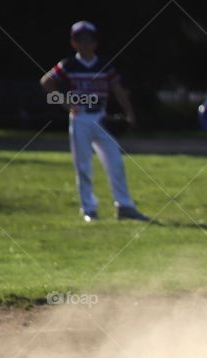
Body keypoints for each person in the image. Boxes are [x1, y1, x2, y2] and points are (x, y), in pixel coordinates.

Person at [40, 21, 148, 223]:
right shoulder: (69, 65)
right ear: (74, 43)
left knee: (115, 161)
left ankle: (124, 205)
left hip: (101, 117)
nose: (85, 44)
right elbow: (46, 82)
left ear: (95, 43)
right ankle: (89, 208)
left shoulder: (104, 66)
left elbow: (118, 90)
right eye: (80, 40)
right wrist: (64, 103)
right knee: (83, 165)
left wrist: (129, 113)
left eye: (89, 40)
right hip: (80, 118)